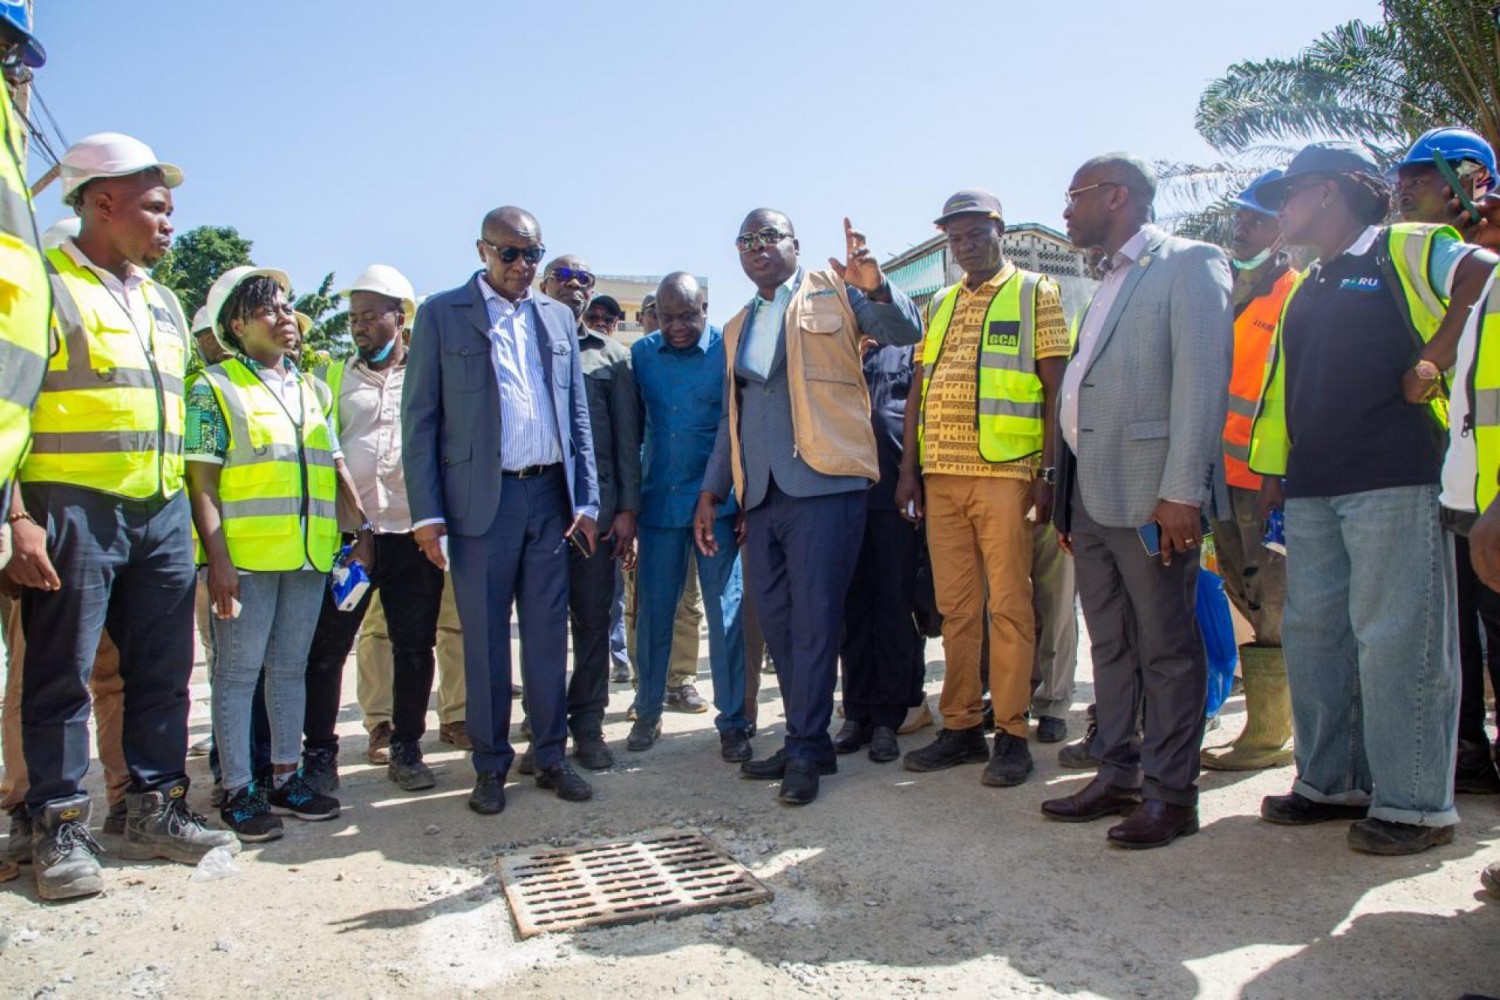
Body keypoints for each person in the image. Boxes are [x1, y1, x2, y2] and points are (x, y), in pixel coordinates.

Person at [6, 133, 238, 899]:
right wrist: (16, 517)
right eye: (156, 208)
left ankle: (152, 809)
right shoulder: (42, 286)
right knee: (60, 676)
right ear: (102, 203)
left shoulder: (164, 301)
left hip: (159, 508)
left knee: (166, 673)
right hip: (68, 509)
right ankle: (57, 826)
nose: (169, 223)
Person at [1249, 141, 1495, 855]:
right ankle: (1333, 783)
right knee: (1318, 636)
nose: (1281, 210)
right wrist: (1275, 470)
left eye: (1290, 194)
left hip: (1397, 474)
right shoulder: (1311, 280)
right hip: (1316, 486)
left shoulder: (1405, 247)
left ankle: (1417, 806)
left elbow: (1486, 275)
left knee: (1399, 641)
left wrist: (1432, 360)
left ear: (1328, 193)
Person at [1039, 154, 1233, 850]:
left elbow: (1201, 383)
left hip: (1154, 500)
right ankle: (1116, 772)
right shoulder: (1107, 283)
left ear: (1116, 196)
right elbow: (1083, 393)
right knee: (1112, 644)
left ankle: (1172, 794)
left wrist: (1182, 490)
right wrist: (1068, 503)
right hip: (1092, 498)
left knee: (1168, 650)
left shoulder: (1189, 263)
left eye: (1074, 195)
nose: (1065, 212)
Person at [697, 211, 922, 805]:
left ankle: (802, 745)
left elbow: (904, 331)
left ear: (796, 245)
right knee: (777, 622)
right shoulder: (737, 325)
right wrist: (711, 491)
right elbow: (733, 416)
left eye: (770, 237)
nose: (757, 248)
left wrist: (874, 285)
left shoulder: (836, 293)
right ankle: (812, 738)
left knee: (817, 621)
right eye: (746, 240)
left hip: (826, 485)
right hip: (763, 494)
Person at [402, 206, 599, 816]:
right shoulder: (441, 314)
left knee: (546, 636)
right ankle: (489, 766)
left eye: (531, 254)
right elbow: (421, 421)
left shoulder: (558, 317)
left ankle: (549, 756)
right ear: (482, 251)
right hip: (479, 504)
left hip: (550, 499)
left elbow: (577, 417)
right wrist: (427, 514)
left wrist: (587, 498)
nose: (521, 266)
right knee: (485, 638)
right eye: (509, 254)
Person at [187, 266, 373, 841]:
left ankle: (286, 777)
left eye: (287, 307)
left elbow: (334, 468)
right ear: (238, 324)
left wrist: (359, 531)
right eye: (269, 310)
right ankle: (238, 790)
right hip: (244, 561)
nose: (284, 318)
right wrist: (217, 561)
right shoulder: (212, 388)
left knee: (290, 670)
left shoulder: (312, 389)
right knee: (239, 674)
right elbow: (202, 483)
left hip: (308, 557)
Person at [894, 190, 1068, 788]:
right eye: (955, 238)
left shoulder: (1035, 292)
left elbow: (1054, 390)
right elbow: (920, 388)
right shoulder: (940, 302)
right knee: (957, 610)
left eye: (974, 234)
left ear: (1000, 231)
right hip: (941, 476)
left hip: (1006, 477)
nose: (964, 246)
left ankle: (1013, 732)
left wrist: (1049, 473)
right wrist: (908, 471)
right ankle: (963, 726)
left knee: (1011, 607)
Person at [299, 264, 447, 793]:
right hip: (351, 545)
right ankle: (319, 754)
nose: (358, 326)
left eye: (369, 316)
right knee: (328, 649)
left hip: (413, 536)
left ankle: (407, 748)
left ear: (400, 318)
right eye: (353, 318)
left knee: (414, 647)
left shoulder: (428, 377)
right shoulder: (335, 379)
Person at [1392, 127, 1500, 796]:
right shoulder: (1420, 259)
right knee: (1457, 624)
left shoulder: (1479, 264)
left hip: (1491, 492)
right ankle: (1465, 754)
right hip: (1459, 479)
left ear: (1470, 179)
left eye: (1423, 174)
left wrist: (1431, 356)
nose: (1406, 185)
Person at [1199, 170, 1297, 772]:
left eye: (1256, 218)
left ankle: (1271, 734)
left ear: (1283, 227)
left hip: (1263, 477)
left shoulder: (1291, 293)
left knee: (1276, 598)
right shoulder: (1223, 288)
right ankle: (1267, 728)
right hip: (1219, 474)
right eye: (1239, 217)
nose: (1242, 227)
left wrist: (1277, 476)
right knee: (1243, 590)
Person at [632, 273, 748, 759]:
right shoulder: (641, 356)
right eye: (666, 316)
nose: (676, 326)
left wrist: (736, 498)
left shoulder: (728, 351)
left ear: (706, 307)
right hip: (658, 505)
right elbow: (632, 429)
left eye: (687, 315)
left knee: (725, 615)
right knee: (654, 613)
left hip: (717, 505)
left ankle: (734, 722)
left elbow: (738, 427)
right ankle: (648, 711)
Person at [536, 255, 640, 772]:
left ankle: (589, 725)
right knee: (540, 626)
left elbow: (626, 439)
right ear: (544, 285)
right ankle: (544, 730)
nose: (575, 287)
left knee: (594, 621)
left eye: (584, 280)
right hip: (533, 512)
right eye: (564, 278)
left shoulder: (612, 357)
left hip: (594, 518)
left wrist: (626, 511)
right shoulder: (522, 344)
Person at [838, 334, 923, 764]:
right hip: (842, 495)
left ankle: (889, 717)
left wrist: (910, 477)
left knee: (893, 607)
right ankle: (856, 713)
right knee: (852, 610)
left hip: (893, 494)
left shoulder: (908, 351)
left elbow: (915, 417)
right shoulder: (833, 347)